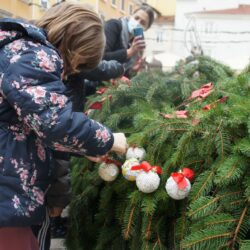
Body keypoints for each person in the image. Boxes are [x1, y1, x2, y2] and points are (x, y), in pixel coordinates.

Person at [0, 2, 128, 250]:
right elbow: (55, 123)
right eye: (79, 64)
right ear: (72, 48)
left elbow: (30, 123)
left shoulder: (17, 48)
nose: (71, 73)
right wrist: (109, 139)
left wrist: (82, 148)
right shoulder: (34, 55)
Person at [103, 4, 155, 77]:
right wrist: (129, 52)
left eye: (143, 23)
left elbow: (122, 75)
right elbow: (102, 57)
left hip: (112, 85)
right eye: (136, 18)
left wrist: (134, 70)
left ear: (146, 29)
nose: (138, 23)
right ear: (131, 16)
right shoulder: (114, 25)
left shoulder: (136, 44)